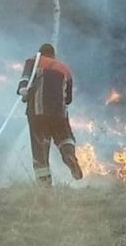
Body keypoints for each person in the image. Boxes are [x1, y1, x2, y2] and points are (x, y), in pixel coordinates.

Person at [17, 43, 83, 186]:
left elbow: (24, 81)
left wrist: (23, 91)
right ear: (53, 55)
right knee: (65, 138)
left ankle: (44, 184)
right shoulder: (65, 69)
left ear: (40, 52)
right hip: (59, 113)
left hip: (38, 111)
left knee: (40, 146)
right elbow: (69, 99)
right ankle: (69, 156)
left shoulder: (33, 61)